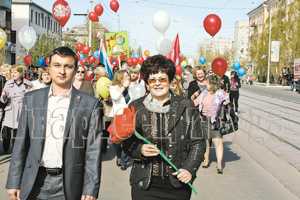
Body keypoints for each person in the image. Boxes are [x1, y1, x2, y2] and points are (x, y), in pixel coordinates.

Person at [6, 47, 102, 200]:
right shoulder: (31, 99)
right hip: (34, 181)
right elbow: (20, 143)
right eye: (57, 65)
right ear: (49, 68)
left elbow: (93, 150)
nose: (62, 71)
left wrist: (91, 187)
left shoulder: (89, 104)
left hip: (68, 184)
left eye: (68, 66)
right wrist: (13, 180)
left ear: (76, 69)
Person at [122, 55, 206, 200]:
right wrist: (139, 149)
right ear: (147, 83)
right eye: (152, 79)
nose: (157, 83)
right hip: (144, 184)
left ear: (170, 80)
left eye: (162, 78)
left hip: (177, 184)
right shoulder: (136, 107)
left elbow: (198, 142)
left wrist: (189, 169)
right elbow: (126, 142)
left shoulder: (186, 106)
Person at [193, 75, 229, 174]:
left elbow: (228, 100)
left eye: (207, 83)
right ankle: (206, 160)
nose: (206, 85)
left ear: (212, 84)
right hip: (204, 119)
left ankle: (219, 164)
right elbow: (195, 102)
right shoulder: (204, 93)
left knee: (218, 142)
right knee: (206, 141)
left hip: (216, 121)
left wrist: (226, 102)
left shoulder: (221, 93)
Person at [0, 64, 33, 153]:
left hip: (21, 109)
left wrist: (29, 93)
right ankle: (5, 148)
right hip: (11, 109)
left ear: (21, 73)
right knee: (7, 132)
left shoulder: (28, 84)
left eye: (15, 72)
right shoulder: (8, 83)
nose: (13, 74)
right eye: (12, 72)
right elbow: (3, 101)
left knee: (18, 132)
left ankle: (16, 151)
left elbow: (31, 99)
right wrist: (3, 96)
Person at [109, 70, 132, 171]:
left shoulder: (131, 88)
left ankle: (124, 161)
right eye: (125, 76)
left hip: (127, 117)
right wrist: (123, 86)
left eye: (128, 76)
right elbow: (115, 97)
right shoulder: (113, 88)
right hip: (116, 116)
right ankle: (118, 155)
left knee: (127, 139)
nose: (127, 77)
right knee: (116, 140)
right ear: (120, 77)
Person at [93, 67, 112, 153]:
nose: (95, 76)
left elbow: (114, 97)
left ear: (102, 75)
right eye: (95, 74)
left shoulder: (109, 83)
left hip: (105, 110)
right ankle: (97, 146)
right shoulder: (93, 83)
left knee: (105, 129)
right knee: (96, 129)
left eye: (97, 74)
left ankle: (104, 146)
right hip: (96, 109)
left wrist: (108, 98)